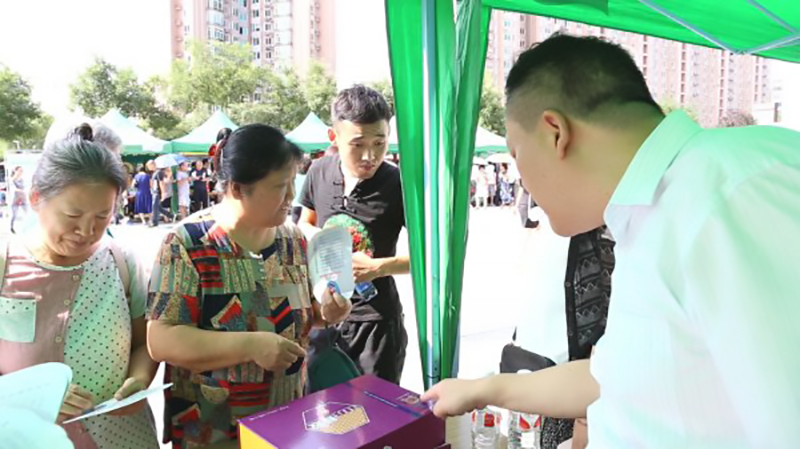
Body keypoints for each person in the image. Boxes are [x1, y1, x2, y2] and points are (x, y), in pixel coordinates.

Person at [423, 34, 800, 448]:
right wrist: (484, 389)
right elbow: (612, 376)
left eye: (516, 155)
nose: (522, 182)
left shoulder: (729, 189)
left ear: (555, 132)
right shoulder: (649, 213)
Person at [146, 124, 352, 449]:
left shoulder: (292, 240)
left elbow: (301, 315)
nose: (291, 196)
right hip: (212, 431)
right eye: (280, 186)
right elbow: (161, 339)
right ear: (238, 188)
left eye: (293, 183)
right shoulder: (188, 243)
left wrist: (328, 311)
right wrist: (251, 346)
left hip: (286, 422)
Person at [0, 125, 158, 449]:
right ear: (36, 198)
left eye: (102, 216)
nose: (86, 231)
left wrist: (140, 380)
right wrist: (34, 398)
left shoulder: (121, 261)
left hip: (123, 438)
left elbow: (145, 343)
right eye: (72, 215)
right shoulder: (5, 264)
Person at [299, 85, 409, 384]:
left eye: (379, 143)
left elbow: (430, 258)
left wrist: (378, 267)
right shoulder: (319, 171)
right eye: (357, 144)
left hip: (376, 324)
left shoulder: (399, 184)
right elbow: (305, 221)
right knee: (321, 406)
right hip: (322, 318)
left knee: (374, 409)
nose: (369, 156)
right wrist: (318, 239)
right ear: (333, 137)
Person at [291, 157, 312, 224]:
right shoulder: (310, 178)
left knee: (295, 224)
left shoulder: (294, 177)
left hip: (295, 204)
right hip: (306, 206)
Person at [9, 166, 27, 234]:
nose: (21, 172)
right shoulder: (12, 180)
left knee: (27, 212)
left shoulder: (22, 180)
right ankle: (12, 227)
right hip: (15, 199)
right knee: (14, 215)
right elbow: (13, 189)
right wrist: (22, 191)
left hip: (22, 198)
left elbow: (25, 187)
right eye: (19, 171)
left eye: (22, 171)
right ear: (15, 171)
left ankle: (28, 227)